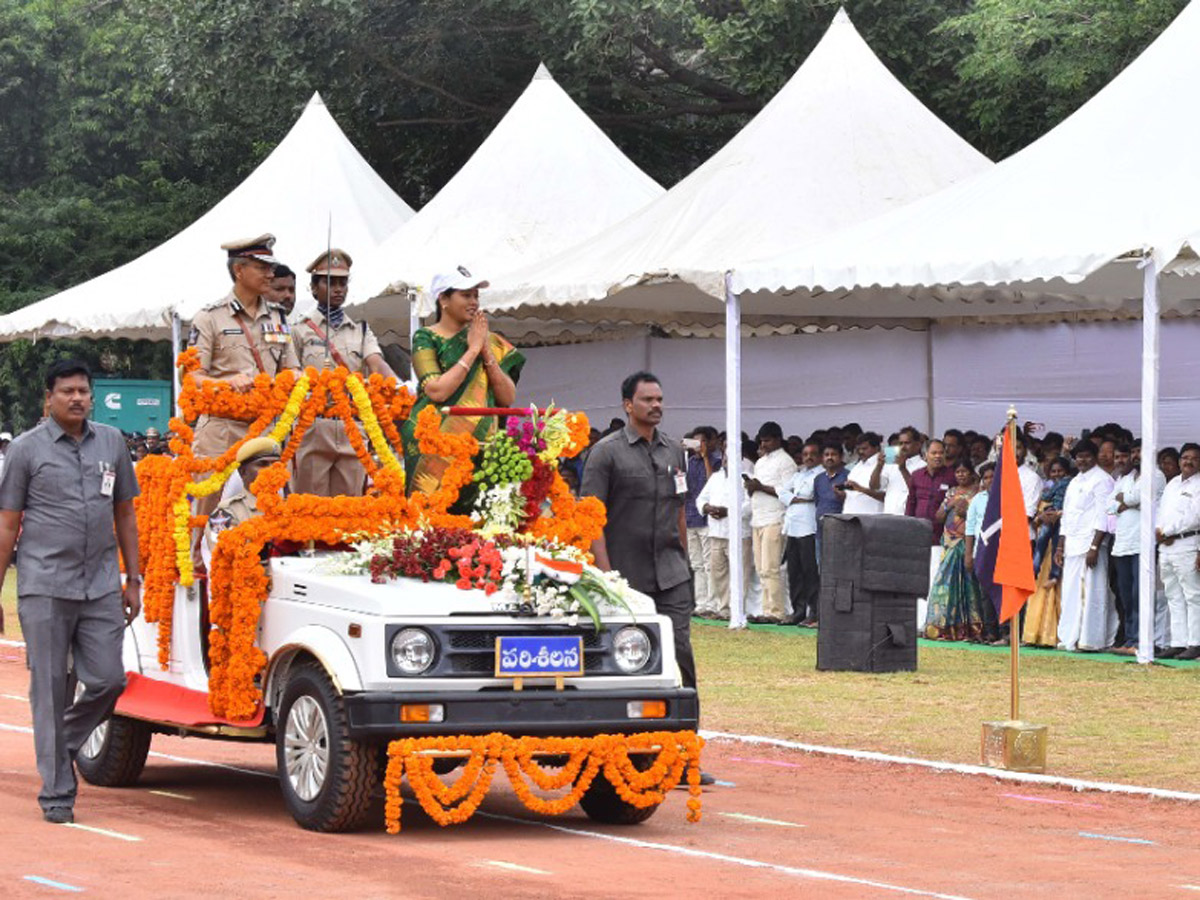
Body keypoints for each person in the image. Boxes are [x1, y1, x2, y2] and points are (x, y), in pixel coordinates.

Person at [0, 359, 141, 824]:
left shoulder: (112, 443)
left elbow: (124, 513)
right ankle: (58, 792)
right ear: (49, 398)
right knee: (50, 687)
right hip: (43, 584)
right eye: (67, 392)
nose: (77, 398)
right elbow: (7, 525)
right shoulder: (24, 451)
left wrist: (133, 578)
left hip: (101, 583)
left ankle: (58, 742)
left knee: (107, 680)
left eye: (83, 390)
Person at [582, 372, 697, 690]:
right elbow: (591, 519)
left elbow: (679, 512)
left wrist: (684, 563)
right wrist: (606, 577)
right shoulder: (605, 452)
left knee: (679, 646)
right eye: (648, 399)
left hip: (672, 572)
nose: (656, 405)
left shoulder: (674, 451)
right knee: (627, 650)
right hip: (625, 574)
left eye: (659, 399)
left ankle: (686, 719)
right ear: (628, 405)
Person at [188, 234, 299, 521]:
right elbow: (192, 377)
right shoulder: (209, 317)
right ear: (239, 270)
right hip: (221, 429)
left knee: (263, 506)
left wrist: (297, 378)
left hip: (265, 427)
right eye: (262, 267)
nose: (270, 274)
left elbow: (290, 367)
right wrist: (226, 383)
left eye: (270, 267)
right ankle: (201, 563)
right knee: (208, 509)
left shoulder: (278, 317)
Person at [400, 267, 523, 495]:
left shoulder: (491, 342)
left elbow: (508, 398)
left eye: (476, 295)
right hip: (434, 449)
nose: (474, 302)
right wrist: (472, 349)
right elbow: (436, 391)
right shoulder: (426, 337)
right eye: (466, 295)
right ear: (443, 299)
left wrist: (485, 351)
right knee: (431, 522)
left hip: (481, 446)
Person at [292, 249, 396, 497]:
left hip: (352, 426)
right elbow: (290, 373)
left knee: (351, 507)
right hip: (314, 425)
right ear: (314, 288)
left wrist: (398, 386)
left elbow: (376, 363)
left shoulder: (360, 329)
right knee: (310, 507)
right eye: (329, 282)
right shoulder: (299, 330)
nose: (338, 288)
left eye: (342, 282)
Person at [1055, 440, 1117, 652]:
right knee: (1071, 592)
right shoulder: (1074, 481)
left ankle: (1091, 640)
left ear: (1095, 456)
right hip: (1072, 544)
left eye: (1086, 456)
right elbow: (1067, 516)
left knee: (1093, 592)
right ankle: (1069, 637)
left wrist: (1094, 547)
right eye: (1079, 456)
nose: (1082, 460)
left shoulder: (1103, 480)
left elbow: (1104, 516)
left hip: (1092, 546)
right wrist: (1060, 546)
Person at [925, 462, 994, 641]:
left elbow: (975, 517)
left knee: (970, 587)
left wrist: (966, 509)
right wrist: (950, 505)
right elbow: (938, 517)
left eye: (964, 471)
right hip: (950, 543)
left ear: (972, 474)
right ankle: (943, 628)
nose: (961, 475)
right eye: (958, 471)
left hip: (968, 543)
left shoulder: (979, 494)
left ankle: (972, 630)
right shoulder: (950, 492)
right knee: (946, 584)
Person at [1109, 441, 1166, 653]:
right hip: (1123, 543)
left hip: (1144, 544)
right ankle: (1131, 639)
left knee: (1140, 594)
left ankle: (1143, 639)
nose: (1135, 456)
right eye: (1132, 452)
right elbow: (1109, 505)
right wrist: (1125, 501)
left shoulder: (1156, 475)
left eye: (1138, 451)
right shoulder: (1125, 478)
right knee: (1126, 596)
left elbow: (1138, 498)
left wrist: (1126, 500)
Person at [744, 422, 797, 623]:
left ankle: (776, 612)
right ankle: (766, 610)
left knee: (771, 567)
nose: (763, 444)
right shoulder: (760, 462)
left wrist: (761, 487)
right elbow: (758, 489)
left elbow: (789, 493)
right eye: (761, 440)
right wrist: (751, 487)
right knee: (761, 569)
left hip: (775, 518)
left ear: (777, 439)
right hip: (758, 518)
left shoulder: (786, 462)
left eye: (767, 440)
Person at [202, 438, 282, 570]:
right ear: (243, 472)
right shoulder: (227, 513)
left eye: (275, 464)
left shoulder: (290, 508)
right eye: (262, 464)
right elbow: (225, 560)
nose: (271, 470)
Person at [696, 434, 752, 621]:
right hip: (716, 533)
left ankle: (737, 609)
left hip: (738, 533)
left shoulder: (747, 477)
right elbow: (701, 499)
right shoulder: (716, 477)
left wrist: (729, 511)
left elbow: (750, 505)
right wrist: (707, 508)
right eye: (725, 457)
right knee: (718, 572)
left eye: (731, 457)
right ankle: (724, 608)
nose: (727, 460)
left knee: (739, 573)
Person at [1156, 442, 1200, 659]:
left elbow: (1194, 518)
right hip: (1166, 546)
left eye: (1193, 458)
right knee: (1173, 594)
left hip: (1188, 544)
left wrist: (1169, 531)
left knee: (1193, 595)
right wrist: (1159, 531)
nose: (1188, 461)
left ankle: (1195, 642)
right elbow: (1162, 511)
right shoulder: (1172, 483)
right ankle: (1178, 641)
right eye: (1185, 457)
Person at [1023, 456, 1073, 647]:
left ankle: (1056, 635)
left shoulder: (1070, 488)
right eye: (1053, 472)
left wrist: (1058, 515)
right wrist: (1042, 517)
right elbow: (1035, 519)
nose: (1057, 474)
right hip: (1044, 548)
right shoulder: (1048, 492)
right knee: (1038, 584)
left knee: (1059, 586)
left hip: (1062, 544)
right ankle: (1034, 634)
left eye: (1060, 471)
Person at [779, 441, 821, 627]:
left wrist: (794, 498)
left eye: (812, 454)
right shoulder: (798, 474)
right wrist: (796, 499)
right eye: (805, 454)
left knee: (809, 572)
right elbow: (781, 490)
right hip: (793, 527)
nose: (808, 457)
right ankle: (798, 611)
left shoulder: (820, 475)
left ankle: (813, 612)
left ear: (819, 456)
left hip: (809, 527)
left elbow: (811, 494)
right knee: (793, 571)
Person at [684, 427, 719, 617]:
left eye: (702, 442)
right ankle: (701, 603)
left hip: (706, 518)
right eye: (695, 442)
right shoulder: (688, 462)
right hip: (690, 517)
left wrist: (705, 457)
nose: (699, 446)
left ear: (710, 442)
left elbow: (711, 482)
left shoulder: (716, 461)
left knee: (708, 564)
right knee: (696, 564)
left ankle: (712, 604)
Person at [871, 425, 924, 516]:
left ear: (918, 445)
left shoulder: (923, 466)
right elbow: (874, 486)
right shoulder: (891, 464)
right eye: (900, 443)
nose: (903, 447)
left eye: (907, 443)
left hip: (908, 519)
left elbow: (917, 492)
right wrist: (879, 466)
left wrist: (903, 468)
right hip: (888, 516)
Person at [813, 442, 849, 564]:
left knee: (839, 567)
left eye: (833, 454)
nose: (829, 457)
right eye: (826, 454)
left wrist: (841, 497)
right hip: (820, 531)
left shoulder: (848, 477)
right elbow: (818, 502)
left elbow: (850, 503)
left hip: (841, 531)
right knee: (822, 568)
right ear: (821, 458)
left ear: (841, 457)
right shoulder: (819, 479)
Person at [841, 431, 886, 515]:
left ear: (876, 448)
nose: (861, 452)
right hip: (851, 517)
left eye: (864, 448)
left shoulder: (884, 465)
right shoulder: (857, 467)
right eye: (858, 449)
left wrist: (860, 489)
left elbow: (885, 495)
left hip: (871, 518)